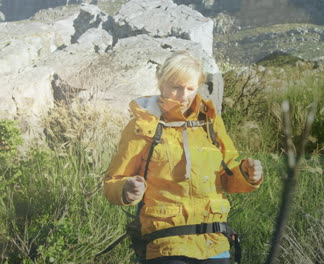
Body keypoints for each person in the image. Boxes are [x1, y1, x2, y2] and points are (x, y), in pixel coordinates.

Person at [104, 50, 264, 264]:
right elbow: (112, 182)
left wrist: (247, 174)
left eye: (190, 88)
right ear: (161, 84)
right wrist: (127, 189)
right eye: (176, 88)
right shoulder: (143, 126)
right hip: (165, 245)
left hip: (214, 243)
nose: (183, 96)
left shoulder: (211, 123)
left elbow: (229, 176)